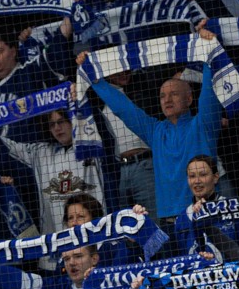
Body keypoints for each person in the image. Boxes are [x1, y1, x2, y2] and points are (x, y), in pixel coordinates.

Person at [88, 40, 228, 218]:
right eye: (162, 96)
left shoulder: (203, 124)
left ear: (189, 99)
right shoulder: (155, 131)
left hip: (204, 212)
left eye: (174, 94)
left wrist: (210, 48)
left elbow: (209, 90)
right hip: (168, 219)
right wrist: (94, 78)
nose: (167, 100)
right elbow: (124, 109)